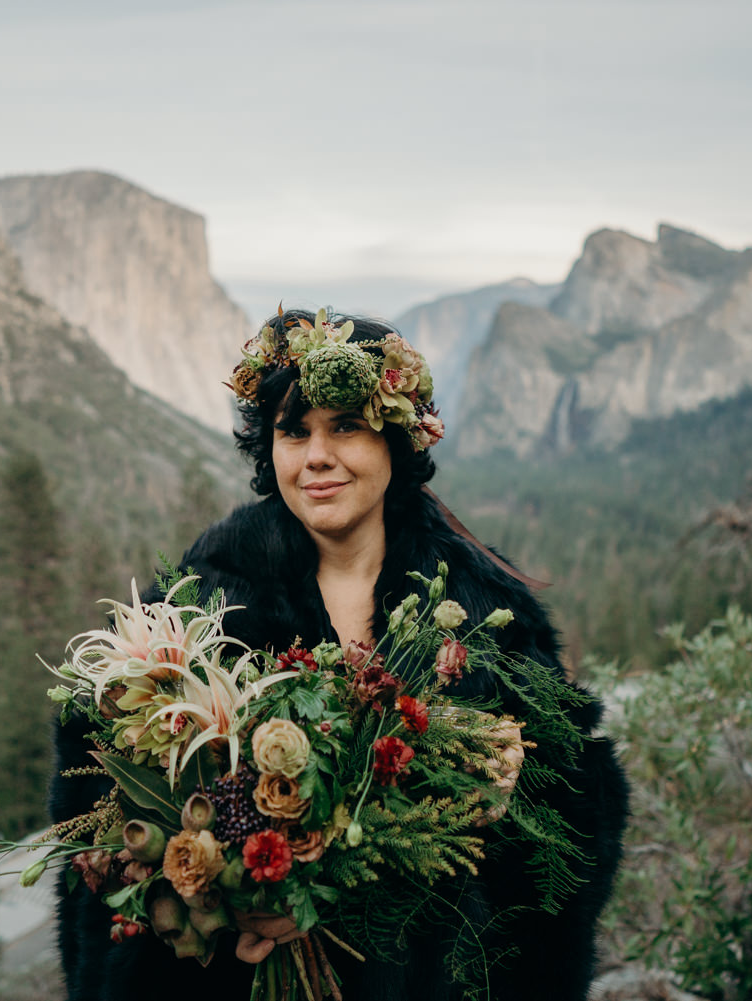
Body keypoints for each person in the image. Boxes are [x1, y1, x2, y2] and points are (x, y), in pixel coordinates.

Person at [50, 309, 628, 1000]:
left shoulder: (486, 610)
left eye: (345, 426)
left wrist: (508, 783)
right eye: (294, 431)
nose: (316, 455)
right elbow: (97, 815)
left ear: (396, 442)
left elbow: (578, 814)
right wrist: (230, 898)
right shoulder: (198, 604)